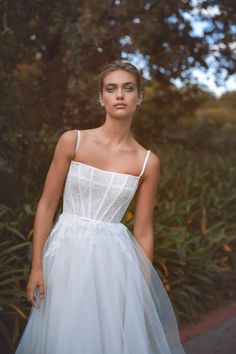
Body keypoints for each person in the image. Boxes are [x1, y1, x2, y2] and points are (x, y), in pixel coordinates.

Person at [15, 60, 186, 354]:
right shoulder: (73, 141)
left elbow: (144, 231)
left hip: (115, 265)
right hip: (67, 256)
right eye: (112, 88)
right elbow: (46, 205)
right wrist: (37, 267)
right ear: (102, 97)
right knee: (66, 338)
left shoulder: (147, 161)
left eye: (128, 88)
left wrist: (142, 292)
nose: (120, 94)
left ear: (139, 97)